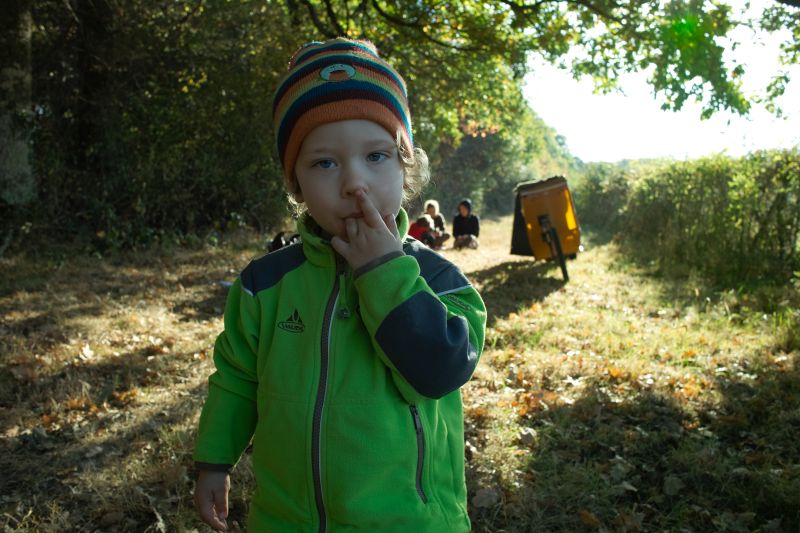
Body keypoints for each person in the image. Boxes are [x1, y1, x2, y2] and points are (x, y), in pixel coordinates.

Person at [193, 38, 486, 533]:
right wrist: (214, 462)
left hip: (410, 522)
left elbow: (438, 371)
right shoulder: (264, 285)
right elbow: (237, 378)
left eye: (376, 156)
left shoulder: (440, 281)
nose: (354, 182)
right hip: (287, 520)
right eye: (324, 163)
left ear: (405, 167)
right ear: (296, 183)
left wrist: (385, 271)